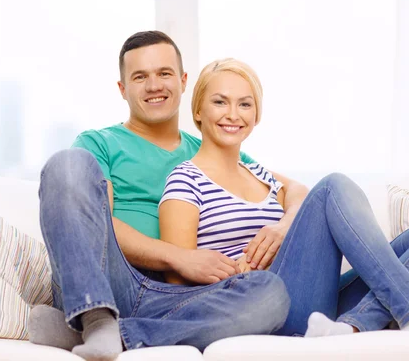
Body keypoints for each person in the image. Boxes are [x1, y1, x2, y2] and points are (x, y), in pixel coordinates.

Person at [157, 57, 409, 337]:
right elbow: (179, 286)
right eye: (220, 102)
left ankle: (352, 326)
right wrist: (233, 272)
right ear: (199, 111)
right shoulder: (186, 179)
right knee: (333, 187)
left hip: (313, 301)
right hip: (263, 307)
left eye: (244, 104)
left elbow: (300, 195)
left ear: (256, 115)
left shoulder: (260, 173)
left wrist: (283, 227)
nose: (233, 114)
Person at [29, 31, 303, 361]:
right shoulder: (99, 143)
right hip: (111, 280)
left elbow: (295, 191)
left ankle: (108, 333)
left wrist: (285, 224)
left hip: (180, 298)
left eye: (164, 73)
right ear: (122, 89)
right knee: (66, 163)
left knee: (270, 294)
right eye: (140, 77)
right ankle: (95, 316)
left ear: (184, 81)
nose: (155, 85)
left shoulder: (212, 148)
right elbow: (94, 228)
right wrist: (178, 257)